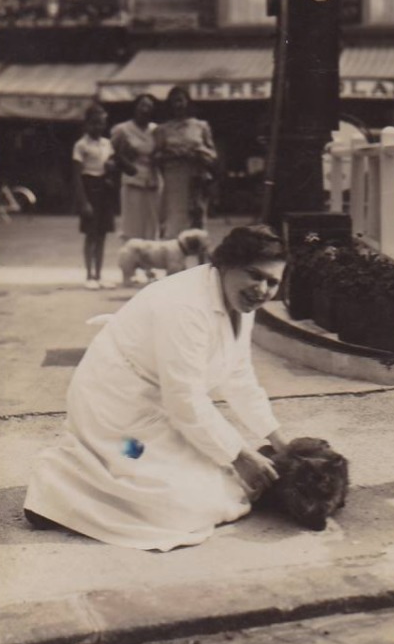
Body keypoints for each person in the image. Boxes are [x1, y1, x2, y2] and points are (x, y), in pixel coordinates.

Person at [24, 225, 289, 551]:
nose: (262, 289)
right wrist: (240, 454)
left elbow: (239, 378)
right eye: (254, 275)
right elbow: (185, 399)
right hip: (117, 408)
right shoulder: (186, 304)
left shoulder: (241, 303)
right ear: (226, 264)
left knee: (224, 485)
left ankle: (91, 475)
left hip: (160, 407)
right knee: (188, 507)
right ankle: (58, 485)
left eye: (272, 282)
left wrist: (278, 440)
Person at [72, 104, 124, 290]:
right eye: (94, 123)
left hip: (104, 189)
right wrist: (83, 202)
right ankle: (89, 275)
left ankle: (99, 274)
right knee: (90, 234)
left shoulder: (107, 144)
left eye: (101, 124)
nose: (98, 127)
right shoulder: (81, 145)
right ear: (87, 124)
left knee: (102, 234)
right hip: (89, 186)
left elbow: (111, 167)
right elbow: (77, 176)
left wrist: (111, 175)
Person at [154, 86, 217, 237]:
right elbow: (155, 156)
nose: (178, 105)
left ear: (187, 102)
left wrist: (198, 153)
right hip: (173, 178)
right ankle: (173, 256)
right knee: (174, 218)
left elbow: (213, 154)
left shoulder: (200, 126)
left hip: (196, 176)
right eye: (174, 101)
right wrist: (171, 155)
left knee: (197, 217)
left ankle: (200, 258)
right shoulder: (162, 129)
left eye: (181, 100)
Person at [110, 93, 160, 242]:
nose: (145, 110)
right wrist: (124, 160)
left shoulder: (156, 130)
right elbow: (110, 153)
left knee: (151, 225)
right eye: (142, 105)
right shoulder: (122, 129)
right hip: (132, 181)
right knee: (132, 226)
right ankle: (131, 262)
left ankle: (149, 263)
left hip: (153, 181)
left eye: (149, 107)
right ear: (135, 107)